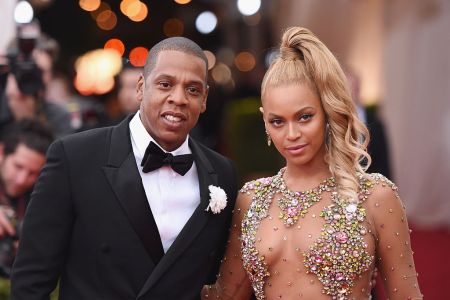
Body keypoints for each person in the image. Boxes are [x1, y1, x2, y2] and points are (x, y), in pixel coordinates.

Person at [202, 27, 422, 299]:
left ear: (327, 112)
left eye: (304, 117)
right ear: (265, 121)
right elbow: (225, 295)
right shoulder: (251, 199)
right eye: (277, 121)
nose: (292, 134)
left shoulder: (376, 196)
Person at [11, 37, 238, 300]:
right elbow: (31, 280)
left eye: (193, 90)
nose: (179, 98)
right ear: (141, 87)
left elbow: (218, 279)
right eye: (165, 84)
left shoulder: (222, 174)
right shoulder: (75, 157)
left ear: (205, 99)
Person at [0, 119, 53, 276]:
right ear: (1, 152)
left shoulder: (42, 197)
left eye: (33, 173)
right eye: (18, 166)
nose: (21, 180)